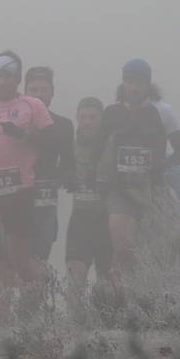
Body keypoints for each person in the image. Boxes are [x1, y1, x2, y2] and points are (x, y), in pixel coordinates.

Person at [0, 51, 55, 329]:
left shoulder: (31, 105)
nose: (3, 81)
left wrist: (23, 134)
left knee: (21, 263)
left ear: (17, 79)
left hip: (19, 189)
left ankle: (33, 308)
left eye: (9, 76)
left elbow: (52, 140)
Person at [85, 59, 180, 279]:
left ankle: (133, 296)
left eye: (139, 82)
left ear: (148, 84)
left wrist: (160, 167)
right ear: (123, 83)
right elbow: (97, 148)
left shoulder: (162, 112)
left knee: (149, 253)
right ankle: (111, 293)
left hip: (153, 191)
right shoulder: (112, 112)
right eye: (129, 82)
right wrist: (92, 176)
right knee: (123, 247)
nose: (134, 88)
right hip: (120, 190)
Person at [23, 65, 76, 269]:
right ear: (25, 92)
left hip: (45, 202)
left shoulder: (63, 125)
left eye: (43, 89)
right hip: (13, 199)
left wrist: (66, 179)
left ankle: (35, 301)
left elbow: (68, 164)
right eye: (33, 89)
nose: (38, 95)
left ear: (52, 93)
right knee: (10, 262)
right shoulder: (13, 120)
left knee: (38, 261)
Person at [64, 96, 111, 290]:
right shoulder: (70, 145)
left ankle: (105, 319)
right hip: (80, 218)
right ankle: (74, 320)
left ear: (102, 119)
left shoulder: (112, 144)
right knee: (76, 272)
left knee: (106, 281)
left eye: (93, 117)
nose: (88, 122)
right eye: (83, 117)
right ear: (77, 117)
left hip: (107, 219)